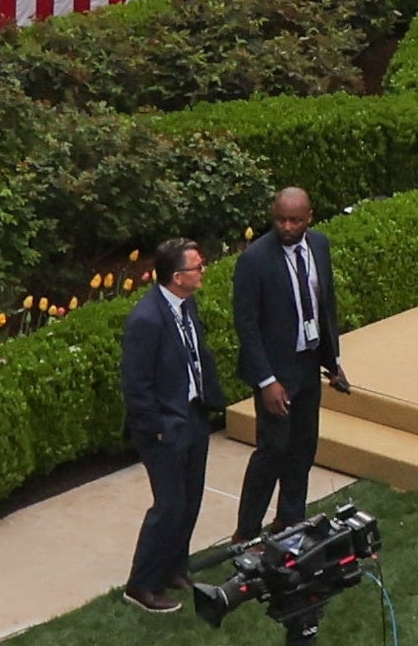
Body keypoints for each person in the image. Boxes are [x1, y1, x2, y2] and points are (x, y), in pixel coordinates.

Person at [229, 186, 346, 540]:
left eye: (295, 220)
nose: (286, 227)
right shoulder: (254, 260)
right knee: (272, 451)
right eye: (280, 219)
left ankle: (290, 521)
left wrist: (333, 360)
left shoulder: (320, 246)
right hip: (275, 372)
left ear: (310, 218)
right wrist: (266, 381)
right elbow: (246, 326)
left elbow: (325, 305)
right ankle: (246, 533)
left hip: (308, 363)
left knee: (302, 447)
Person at [119, 232, 221, 609]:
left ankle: (174, 566)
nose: (202, 271)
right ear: (177, 277)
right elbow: (136, 384)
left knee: (191, 497)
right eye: (197, 267)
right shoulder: (146, 320)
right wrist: (156, 427)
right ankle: (141, 585)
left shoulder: (185, 305)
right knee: (170, 504)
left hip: (192, 414)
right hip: (164, 428)